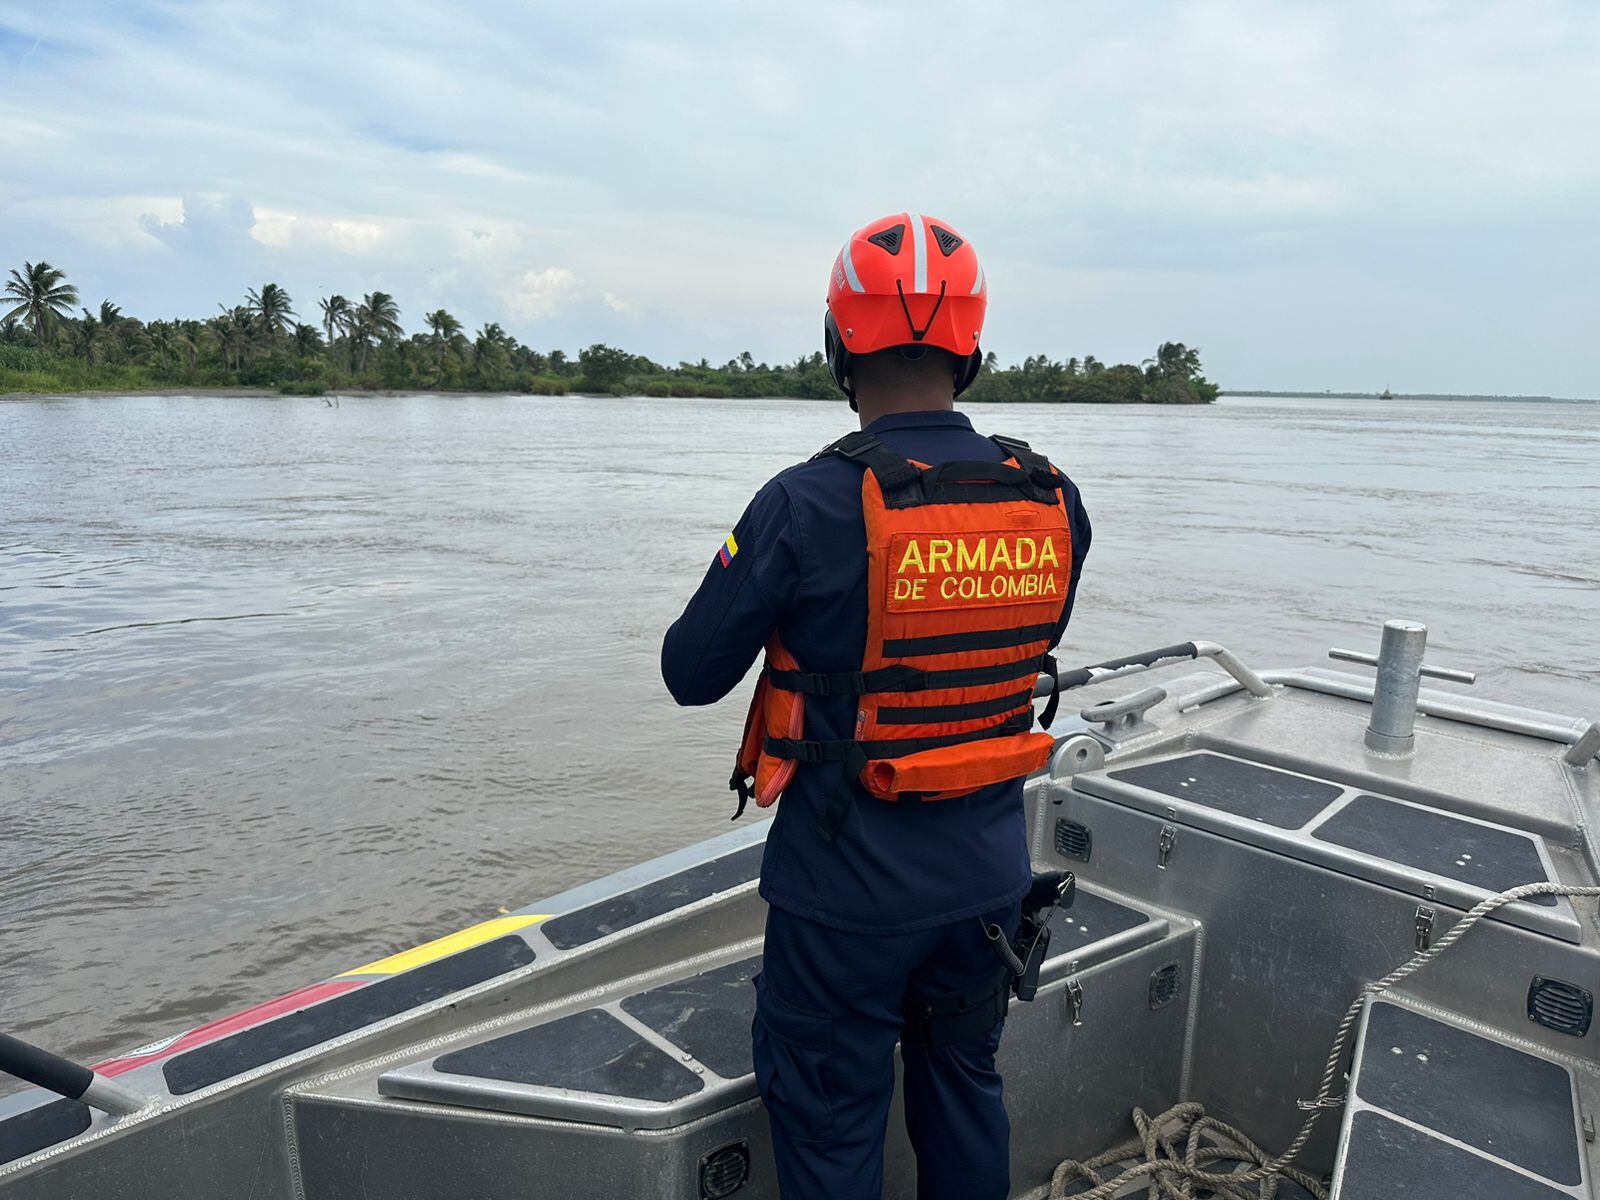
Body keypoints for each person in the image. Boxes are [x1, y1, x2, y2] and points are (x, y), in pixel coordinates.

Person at [661, 212, 1091, 1200]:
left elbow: (691, 671)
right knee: (964, 1087)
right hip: (988, 879)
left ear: (837, 345)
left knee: (830, 1122)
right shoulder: (1052, 499)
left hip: (845, 897)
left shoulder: (804, 503)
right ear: (971, 351)